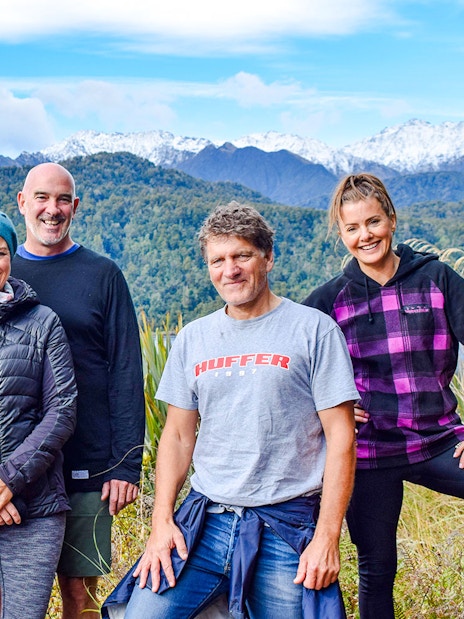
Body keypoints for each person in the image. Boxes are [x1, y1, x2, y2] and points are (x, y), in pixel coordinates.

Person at [104, 201, 359, 619]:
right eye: (217, 260)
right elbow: (178, 435)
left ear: (268, 257)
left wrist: (327, 537)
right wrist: (161, 523)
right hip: (203, 523)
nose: (230, 270)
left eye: (242, 255)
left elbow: (342, 438)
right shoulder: (193, 338)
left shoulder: (313, 330)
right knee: (141, 614)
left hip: (284, 525)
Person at [303, 173, 464, 619]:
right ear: (341, 234)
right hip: (368, 453)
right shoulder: (328, 301)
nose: (365, 235)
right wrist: (327, 413)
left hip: (439, 440)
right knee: (377, 568)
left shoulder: (436, 279)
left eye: (373, 222)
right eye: (352, 228)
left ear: (391, 220)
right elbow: (296, 375)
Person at [12, 163, 146, 619]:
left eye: (63, 199)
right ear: (22, 203)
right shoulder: (6, 276)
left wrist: (126, 466)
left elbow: (127, 370)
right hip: (14, 468)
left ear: (76, 206)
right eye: (43, 198)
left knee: (80, 596)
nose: (53, 210)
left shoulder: (102, 274)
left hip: (86, 466)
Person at [0, 211, 77, 618]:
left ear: (11, 257)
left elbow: (62, 410)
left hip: (35, 508)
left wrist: (9, 481)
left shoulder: (43, 323)